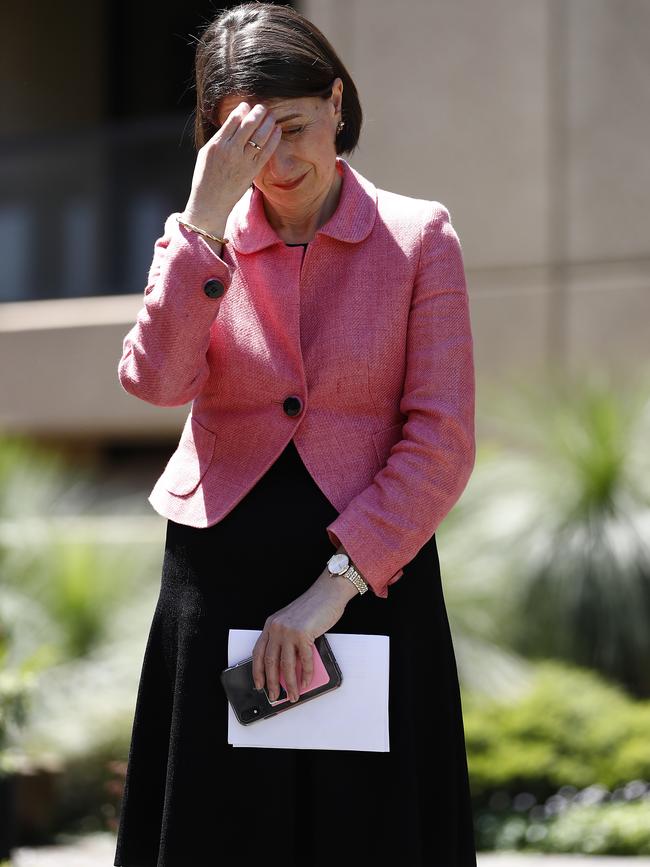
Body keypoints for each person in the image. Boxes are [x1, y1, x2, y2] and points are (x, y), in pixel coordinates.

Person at [113, 4, 477, 866]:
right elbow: (157, 383)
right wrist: (201, 222)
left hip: (369, 581)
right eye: (250, 137)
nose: (278, 161)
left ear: (338, 103)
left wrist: (333, 586)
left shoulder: (420, 237)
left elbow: (442, 439)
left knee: (366, 835)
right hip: (219, 580)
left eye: (298, 128)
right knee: (220, 833)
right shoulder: (202, 248)